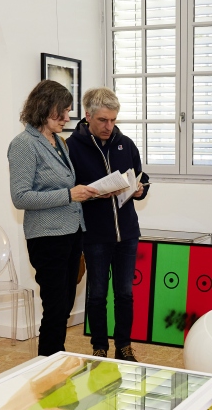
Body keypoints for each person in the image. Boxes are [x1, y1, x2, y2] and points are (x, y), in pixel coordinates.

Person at [8, 80, 99, 356]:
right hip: (47, 238)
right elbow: (21, 197)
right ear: (45, 108)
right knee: (55, 308)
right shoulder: (24, 144)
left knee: (65, 305)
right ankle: (48, 364)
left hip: (71, 233)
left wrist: (88, 192)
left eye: (68, 111)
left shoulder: (59, 142)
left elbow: (65, 187)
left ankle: (55, 361)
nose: (67, 118)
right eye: (63, 111)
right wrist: (69, 195)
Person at [66, 87, 150, 361]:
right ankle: (99, 348)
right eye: (103, 120)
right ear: (88, 115)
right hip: (95, 235)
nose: (109, 126)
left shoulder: (126, 143)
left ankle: (123, 346)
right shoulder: (71, 147)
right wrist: (92, 193)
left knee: (124, 294)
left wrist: (140, 189)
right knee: (97, 294)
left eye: (113, 120)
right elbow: (69, 191)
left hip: (127, 233)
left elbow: (141, 176)